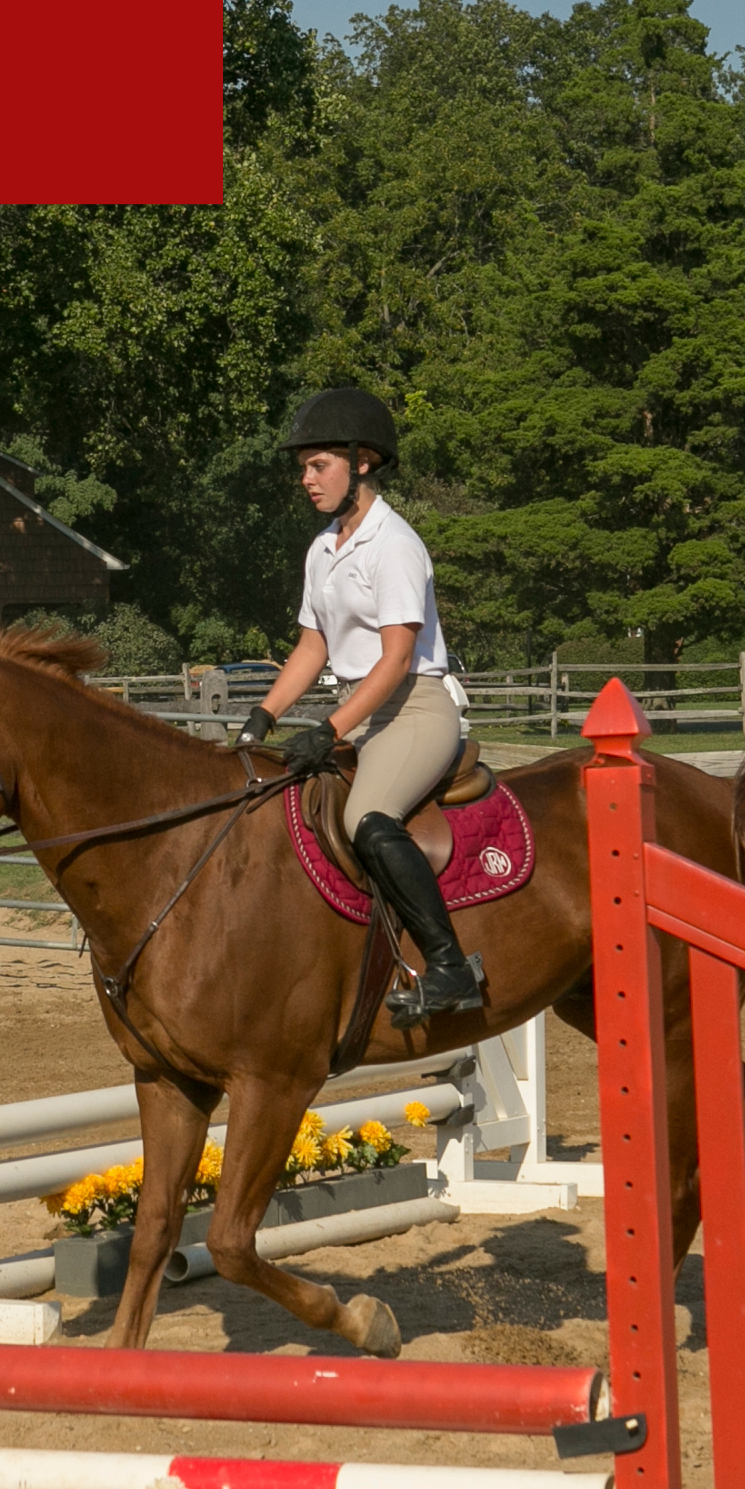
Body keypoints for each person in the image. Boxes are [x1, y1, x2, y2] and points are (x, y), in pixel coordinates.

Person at [235, 389, 484, 1023]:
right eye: (305, 467)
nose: (306, 478)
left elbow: (397, 659)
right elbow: (313, 644)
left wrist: (330, 727)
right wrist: (263, 716)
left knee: (369, 818)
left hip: (416, 707)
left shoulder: (394, 544)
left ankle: (452, 967)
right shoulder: (324, 547)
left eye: (318, 465)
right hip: (361, 708)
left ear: (363, 461)